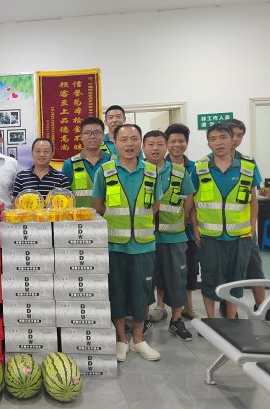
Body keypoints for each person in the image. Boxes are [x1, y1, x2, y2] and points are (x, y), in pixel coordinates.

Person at [93, 124, 162, 362]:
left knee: (142, 293)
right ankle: (121, 340)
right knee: (118, 292)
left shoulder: (151, 171)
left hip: (144, 245)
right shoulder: (105, 171)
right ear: (115, 142)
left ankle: (138, 339)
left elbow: (155, 204)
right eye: (124, 139)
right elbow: (98, 205)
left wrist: (138, 224)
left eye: (134, 138)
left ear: (140, 142)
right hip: (114, 245)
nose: (129, 144)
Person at [191, 123, 258, 319]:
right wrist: (195, 227)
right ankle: (211, 320)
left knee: (235, 281)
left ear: (232, 141)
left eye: (223, 138)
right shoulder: (199, 168)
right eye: (213, 139)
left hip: (240, 237)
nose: (218, 143)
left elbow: (253, 200)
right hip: (209, 237)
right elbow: (191, 201)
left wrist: (252, 227)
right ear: (208, 144)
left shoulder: (248, 167)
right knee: (209, 279)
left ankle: (231, 320)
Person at [142, 130, 195, 341]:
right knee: (145, 280)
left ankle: (176, 320)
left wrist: (181, 220)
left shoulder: (179, 172)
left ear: (166, 147)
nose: (155, 148)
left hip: (174, 237)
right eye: (150, 144)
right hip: (144, 237)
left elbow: (189, 198)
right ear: (143, 147)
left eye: (159, 144)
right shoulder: (138, 170)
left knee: (176, 279)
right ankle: (144, 318)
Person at [223, 119, 270, 320]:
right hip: (219, 232)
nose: (235, 139)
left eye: (239, 135)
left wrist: (252, 226)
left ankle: (262, 307)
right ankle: (229, 310)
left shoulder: (248, 163)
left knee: (254, 268)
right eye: (232, 134)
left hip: (244, 230)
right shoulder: (205, 163)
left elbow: (253, 198)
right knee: (225, 272)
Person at [164, 123, 203, 320]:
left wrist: (194, 227)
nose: (177, 145)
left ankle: (188, 306)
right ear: (166, 143)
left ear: (187, 143)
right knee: (162, 269)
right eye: (173, 141)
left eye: (181, 141)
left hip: (186, 228)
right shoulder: (156, 165)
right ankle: (160, 306)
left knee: (188, 268)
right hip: (163, 228)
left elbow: (194, 200)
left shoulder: (194, 168)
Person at [62, 117, 112, 207]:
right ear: (81, 136)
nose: (92, 136)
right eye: (87, 133)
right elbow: (65, 196)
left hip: (108, 215)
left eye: (97, 132)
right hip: (80, 215)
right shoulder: (70, 164)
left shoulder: (113, 161)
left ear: (103, 135)